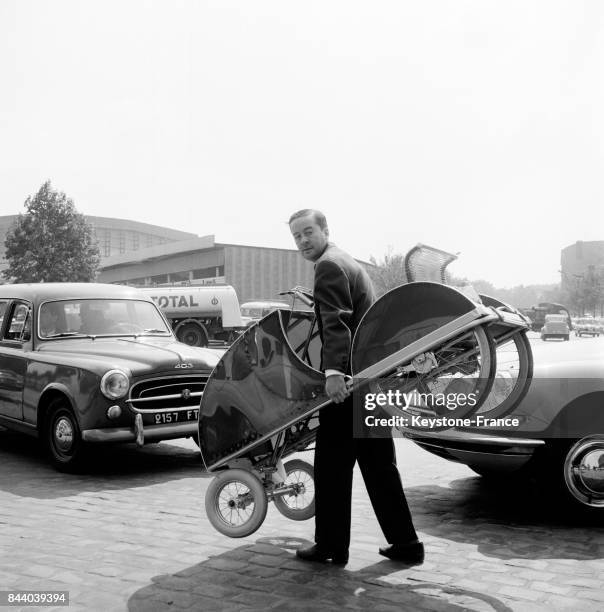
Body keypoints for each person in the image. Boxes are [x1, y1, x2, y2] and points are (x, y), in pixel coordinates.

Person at [289, 209, 424, 566]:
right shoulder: (345, 261)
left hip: (349, 384)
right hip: (369, 379)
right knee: (380, 467)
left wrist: (333, 372)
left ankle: (331, 546)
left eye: (308, 232)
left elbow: (337, 324)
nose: (303, 241)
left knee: (331, 466)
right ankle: (406, 544)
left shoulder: (329, 266)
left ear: (325, 230)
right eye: (296, 237)